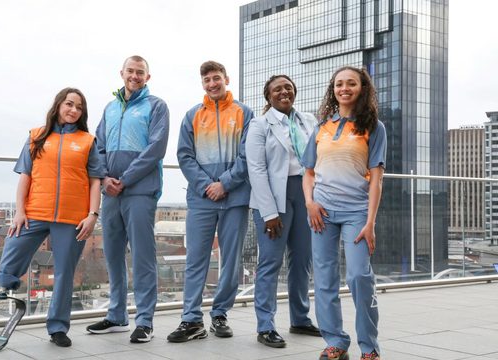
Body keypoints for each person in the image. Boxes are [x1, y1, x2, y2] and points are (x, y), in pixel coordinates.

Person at [0, 87, 101, 347]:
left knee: (65, 272)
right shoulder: (36, 136)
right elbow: (25, 176)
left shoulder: (88, 141)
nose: (73, 110)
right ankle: (7, 282)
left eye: (79, 107)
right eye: (69, 104)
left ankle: (57, 328)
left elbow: (95, 181)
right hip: (35, 211)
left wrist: (92, 215)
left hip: (72, 217)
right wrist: (19, 211)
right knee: (14, 243)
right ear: (58, 105)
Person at [302, 66, 386, 360]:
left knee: (359, 277)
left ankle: (369, 347)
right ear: (333, 89)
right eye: (339, 84)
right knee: (324, 279)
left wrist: (370, 222)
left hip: (356, 213)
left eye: (351, 83)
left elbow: (376, 178)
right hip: (321, 212)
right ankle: (335, 341)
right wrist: (309, 203)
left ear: (362, 88)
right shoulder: (321, 127)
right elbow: (308, 172)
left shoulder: (373, 127)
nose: (344, 88)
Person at [167, 60, 253, 343]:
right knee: (196, 260)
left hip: (235, 197)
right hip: (202, 199)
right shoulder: (192, 115)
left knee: (231, 260)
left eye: (216, 78)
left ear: (226, 79)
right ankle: (191, 319)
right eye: (207, 80)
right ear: (202, 84)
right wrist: (207, 186)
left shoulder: (244, 113)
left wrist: (225, 184)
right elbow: (184, 156)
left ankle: (220, 313)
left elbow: (247, 155)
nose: (212, 84)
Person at [85, 55, 169, 344]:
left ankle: (145, 320)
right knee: (112, 254)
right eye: (130, 71)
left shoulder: (156, 106)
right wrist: (106, 178)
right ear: (121, 73)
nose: (134, 76)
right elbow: (98, 147)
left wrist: (126, 179)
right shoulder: (110, 108)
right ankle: (117, 315)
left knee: (143, 257)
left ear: (148, 77)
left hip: (140, 191)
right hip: (111, 192)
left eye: (140, 72)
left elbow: (156, 149)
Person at [246, 75, 321, 348]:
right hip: (274, 198)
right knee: (270, 262)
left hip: (305, 195)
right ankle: (265, 326)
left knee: (302, 260)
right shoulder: (259, 125)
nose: (284, 92)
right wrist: (268, 212)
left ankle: (300, 319)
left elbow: (317, 160)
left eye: (288, 87)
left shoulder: (309, 120)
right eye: (277, 89)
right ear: (269, 96)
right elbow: (256, 169)